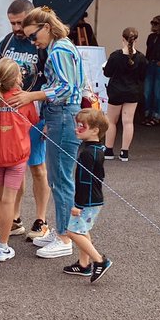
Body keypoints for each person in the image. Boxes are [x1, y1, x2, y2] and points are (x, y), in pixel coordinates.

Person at [7, 7, 85, 259]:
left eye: (33, 35)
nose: (32, 41)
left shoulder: (60, 49)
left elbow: (65, 88)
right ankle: (62, 230)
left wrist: (32, 95)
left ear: (47, 28)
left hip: (63, 114)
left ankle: (64, 237)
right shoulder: (60, 46)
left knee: (61, 179)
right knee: (56, 177)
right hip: (60, 115)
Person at [0, 0, 50, 242]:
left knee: (37, 167)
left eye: (20, 22)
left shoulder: (42, 44)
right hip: (8, 116)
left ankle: (41, 219)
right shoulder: (6, 42)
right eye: (12, 23)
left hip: (33, 113)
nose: (16, 28)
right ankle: (14, 217)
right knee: (13, 166)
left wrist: (46, 115)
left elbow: (51, 81)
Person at [0, 58, 38, 262]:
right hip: (16, 156)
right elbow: (33, 120)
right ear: (17, 77)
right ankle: (4, 246)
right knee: (8, 200)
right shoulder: (23, 99)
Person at [64, 108, 111, 281]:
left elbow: (84, 182)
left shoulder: (87, 153)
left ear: (95, 130)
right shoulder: (98, 148)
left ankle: (99, 261)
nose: (77, 129)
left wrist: (78, 205)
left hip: (88, 200)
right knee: (82, 230)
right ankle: (84, 265)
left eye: (82, 126)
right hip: (95, 199)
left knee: (72, 232)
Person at [102, 28, 147, 162]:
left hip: (116, 91)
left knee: (111, 121)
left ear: (123, 39)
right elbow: (143, 76)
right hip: (133, 92)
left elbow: (107, 73)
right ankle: (124, 152)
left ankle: (109, 150)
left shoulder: (115, 56)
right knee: (128, 122)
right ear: (136, 40)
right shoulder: (141, 58)